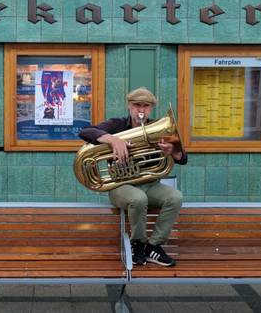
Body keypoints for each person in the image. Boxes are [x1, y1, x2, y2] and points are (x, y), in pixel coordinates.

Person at [78, 87, 187, 267]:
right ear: (129, 106)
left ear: (151, 108)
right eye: (137, 105)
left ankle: (154, 246)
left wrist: (172, 151)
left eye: (146, 106)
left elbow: (183, 158)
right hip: (121, 186)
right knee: (138, 199)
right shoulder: (117, 125)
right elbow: (85, 131)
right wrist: (113, 140)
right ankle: (138, 245)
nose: (141, 110)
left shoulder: (159, 127)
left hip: (150, 184)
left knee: (175, 197)